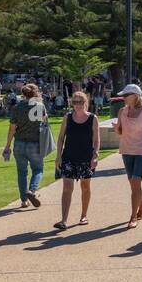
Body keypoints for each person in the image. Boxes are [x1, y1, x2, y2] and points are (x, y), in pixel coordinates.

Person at [112, 83, 142, 229]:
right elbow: (120, 132)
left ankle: (133, 217)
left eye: (126, 95)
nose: (123, 98)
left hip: (141, 151)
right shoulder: (122, 111)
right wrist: (116, 129)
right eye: (123, 95)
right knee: (133, 183)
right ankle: (141, 205)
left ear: (135, 96)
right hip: (126, 151)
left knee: (136, 181)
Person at [53, 91, 100, 229]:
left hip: (86, 158)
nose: (77, 105)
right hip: (69, 157)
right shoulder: (67, 117)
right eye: (75, 102)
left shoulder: (93, 118)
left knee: (85, 187)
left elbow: (96, 139)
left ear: (85, 103)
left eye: (80, 102)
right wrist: (58, 156)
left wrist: (95, 155)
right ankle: (63, 220)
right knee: (67, 188)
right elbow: (61, 137)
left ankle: (83, 215)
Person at [3, 83, 45, 208]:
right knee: (38, 169)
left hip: (19, 143)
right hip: (35, 143)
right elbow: (44, 124)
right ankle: (31, 191)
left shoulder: (17, 107)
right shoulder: (39, 106)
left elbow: (12, 129)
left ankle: (24, 200)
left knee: (21, 172)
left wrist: (7, 145)